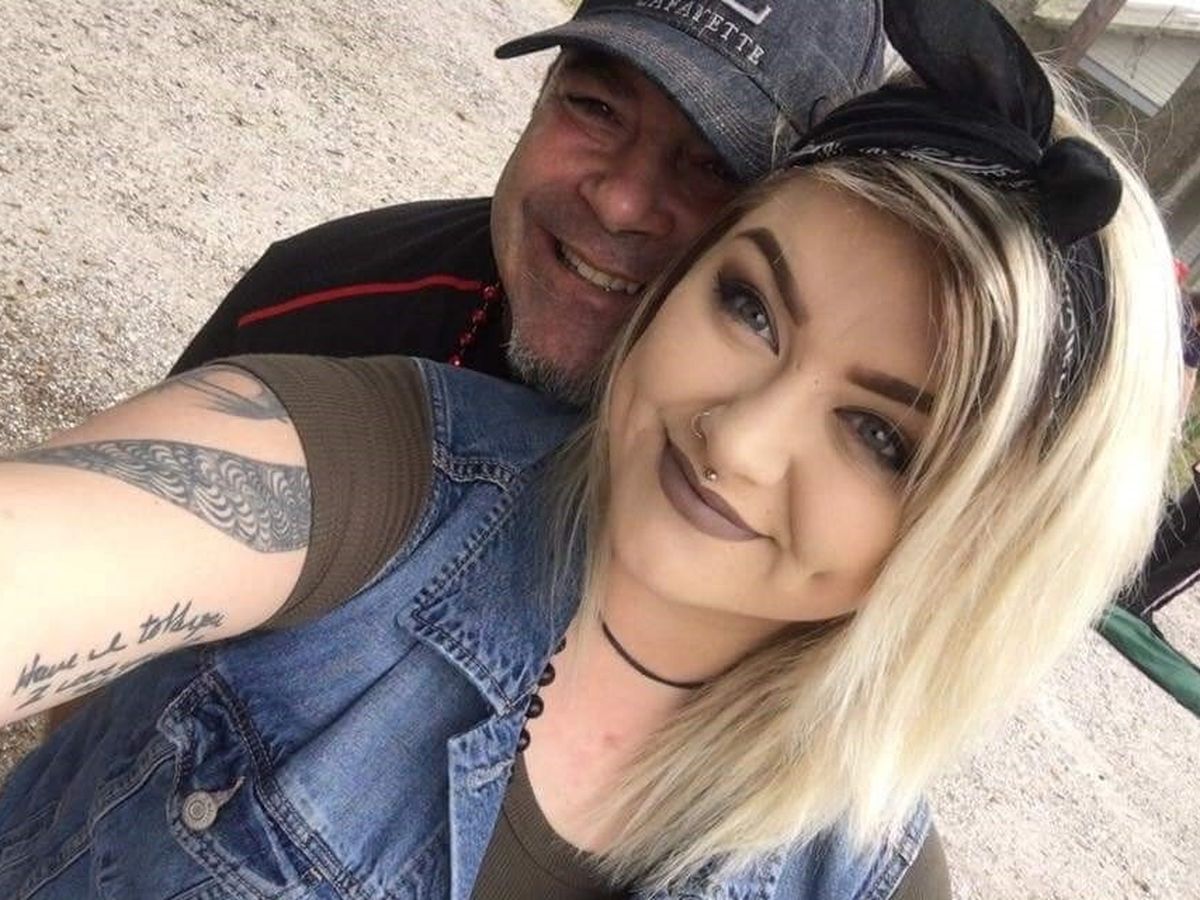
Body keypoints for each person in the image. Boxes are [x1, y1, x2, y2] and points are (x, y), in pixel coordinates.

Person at [0, 1, 1181, 898]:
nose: (742, 440)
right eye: (751, 308)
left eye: (881, 435)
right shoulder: (368, 390)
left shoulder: (863, 867)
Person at [170, 0, 889, 404]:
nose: (621, 205)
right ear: (544, 91)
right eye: (597, 108)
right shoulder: (312, 315)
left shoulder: (801, 530)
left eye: (717, 164)